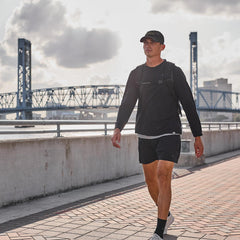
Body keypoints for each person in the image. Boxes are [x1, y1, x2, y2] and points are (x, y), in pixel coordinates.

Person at [111, 30, 204, 240]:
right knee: (151, 182)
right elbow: (127, 102)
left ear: (162, 46)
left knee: (163, 175)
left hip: (169, 131)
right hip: (145, 133)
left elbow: (189, 104)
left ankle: (159, 230)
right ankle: (166, 216)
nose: (148, 45)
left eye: (152, 42)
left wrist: (197, 135)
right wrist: (118, 127)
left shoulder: (173, 71)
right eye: (145, 42)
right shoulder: (136, 74)